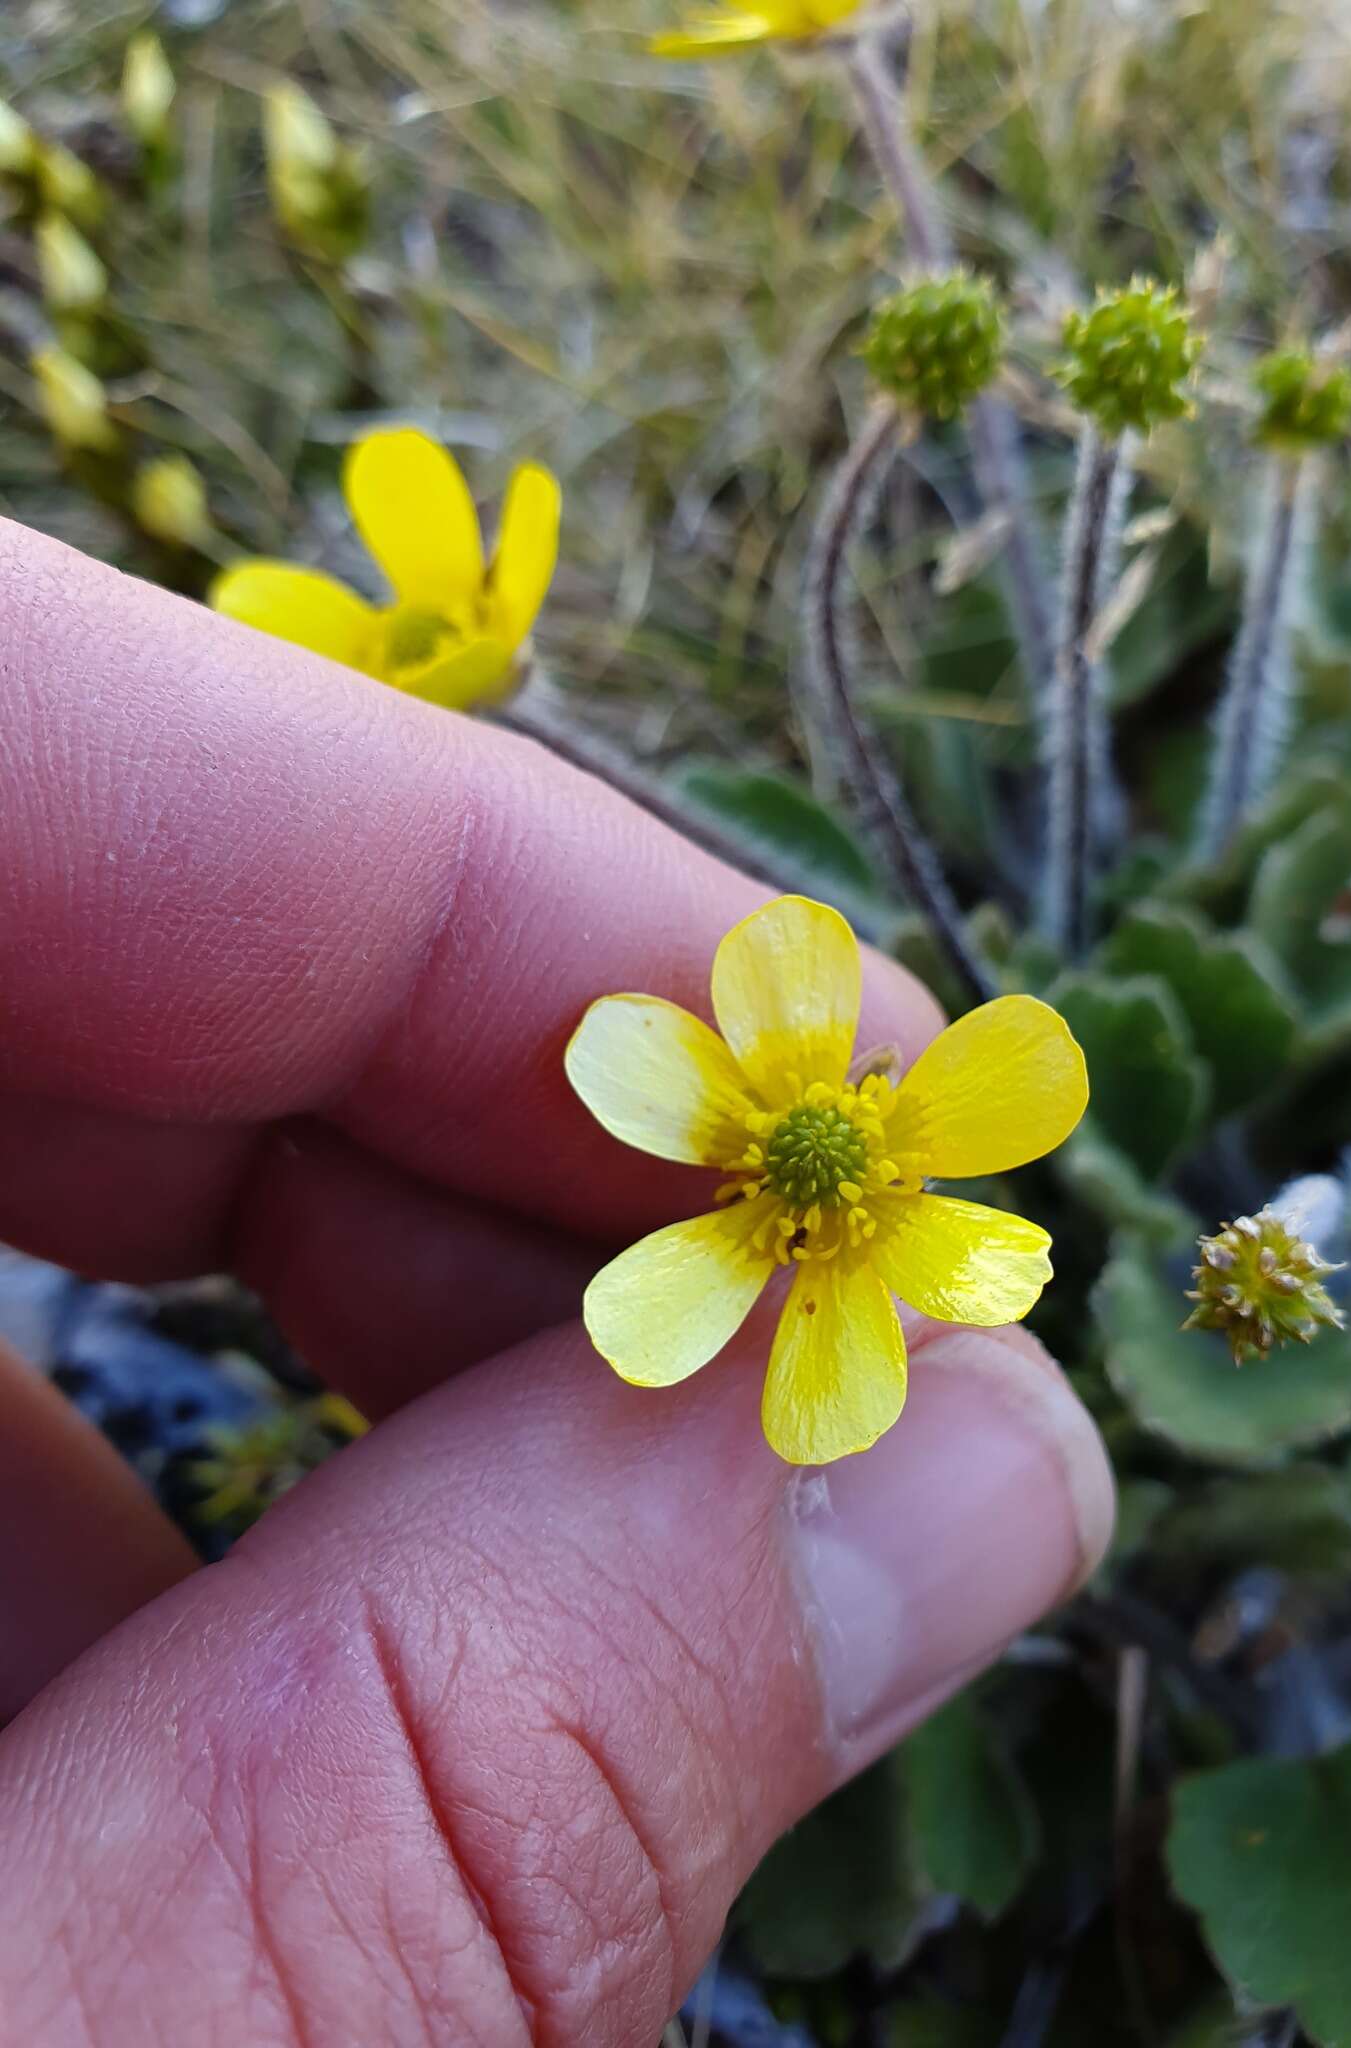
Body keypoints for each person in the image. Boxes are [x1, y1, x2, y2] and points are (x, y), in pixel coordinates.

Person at [0, 515, 1114, 2047]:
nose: (814, 1159)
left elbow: (978, 1211)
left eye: (832, 1147)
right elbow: (654, 1111)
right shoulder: (760, 1176)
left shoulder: (914, 1187)